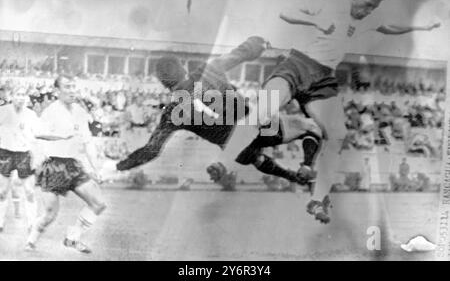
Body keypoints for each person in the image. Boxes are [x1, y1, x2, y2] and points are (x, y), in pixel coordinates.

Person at [210, 0, 441, 223]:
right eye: (367, 5)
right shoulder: (330, 7)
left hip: (322, 79)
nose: (368, 11)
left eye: (374, 8)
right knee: (262, 113)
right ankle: (222, 163)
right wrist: (314, 21)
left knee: (338, 134)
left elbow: (389, 27)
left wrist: (421, 28)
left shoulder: (365, 20)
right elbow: (286, 12)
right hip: (297, 66)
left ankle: (317, 201)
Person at [116, 37, 322, 187]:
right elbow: (240, 54)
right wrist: (259, 43)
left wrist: (121, 165)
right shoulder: (209, 70)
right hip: (260, 129)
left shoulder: (171, 113)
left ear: (163, 84)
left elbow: (151, 150)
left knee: (255, 158)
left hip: (235, 149)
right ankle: (306, 166)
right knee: (310, 126)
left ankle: (292, 177)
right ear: (184, 69)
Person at [26, 74, 107, 254]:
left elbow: (88, 142)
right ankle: (31, 240)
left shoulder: (79, 111)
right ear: (57, 91)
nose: (72, 91)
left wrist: (97, 169)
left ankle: (72, 238)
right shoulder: (51, 111)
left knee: (99, 203)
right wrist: (60, 136)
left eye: (73, 87)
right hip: (54, 165)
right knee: (49, 214)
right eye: (67, 87)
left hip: (73, 166)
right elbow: (38, 133)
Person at [0, 87, 40, 232]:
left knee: (29, 191)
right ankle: (0, 223)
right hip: (5, 153)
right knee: (2, 191)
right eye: (18, 94)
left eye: (23, 95)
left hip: (23, 154)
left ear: (26, 98)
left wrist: (35, 154)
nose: (20, 97)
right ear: (12, 96)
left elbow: (36, 136)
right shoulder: (3, 111)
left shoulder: (31, 115)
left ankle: (32, 223)